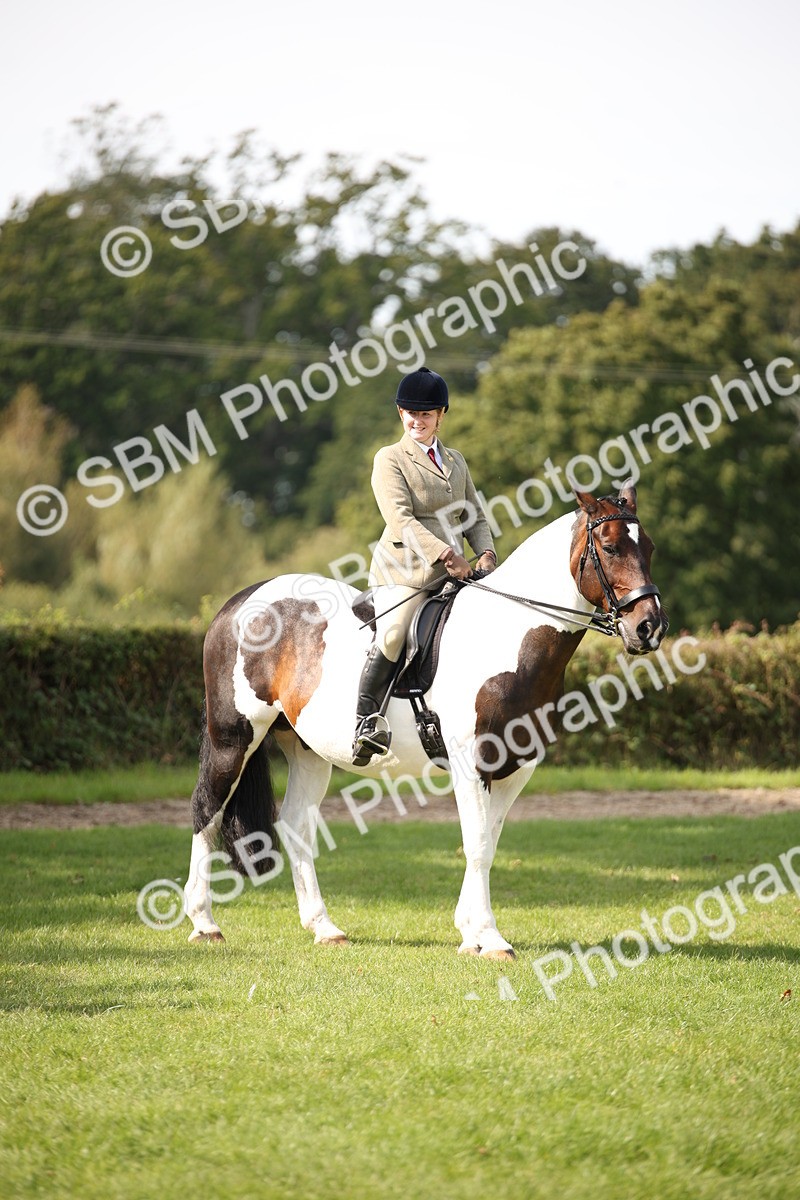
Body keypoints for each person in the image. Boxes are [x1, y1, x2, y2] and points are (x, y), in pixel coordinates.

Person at [352, 366, 497, 766]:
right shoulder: (390, 459)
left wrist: (486, 553)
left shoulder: (456, 460)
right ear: (401, 414)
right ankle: (366, 721)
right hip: (405, 573)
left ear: (441, 415)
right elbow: (401, 519)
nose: (418, 421)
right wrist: (448, 555)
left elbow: (475, 517)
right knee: (396, 629)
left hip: (458, 573)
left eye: (426, 415)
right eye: (411, 414)